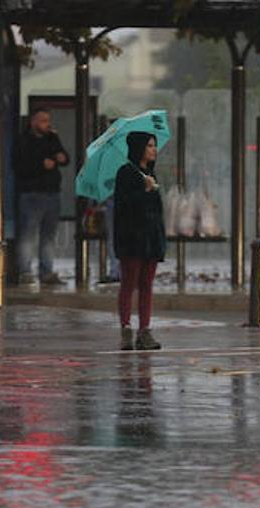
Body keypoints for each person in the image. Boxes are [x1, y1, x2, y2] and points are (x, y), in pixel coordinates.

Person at [112, 132, 166, 351]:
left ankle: (145, 330)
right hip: (132, 239)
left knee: (146, 286)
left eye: (154, 145)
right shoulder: (126, 172)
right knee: (129, 284)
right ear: (139, 148)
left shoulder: (150, 173)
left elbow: (157, 209)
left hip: (150, 239)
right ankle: (126, 328)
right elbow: (123, 205)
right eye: (150, 146)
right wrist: (143, 190)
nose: (154, 150)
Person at [11, 108, 69, 287]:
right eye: (43, 120)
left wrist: (62, 157)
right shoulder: (23, 141)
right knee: (28, 235)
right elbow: (19, 167)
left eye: (48, 120)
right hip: (31, 194)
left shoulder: (52, 138)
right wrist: (41, 165)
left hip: (52, 193)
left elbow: (65, 158)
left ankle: (46, 271)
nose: (47, 124)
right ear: (33, 122)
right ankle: (25, 272)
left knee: (48, 236)